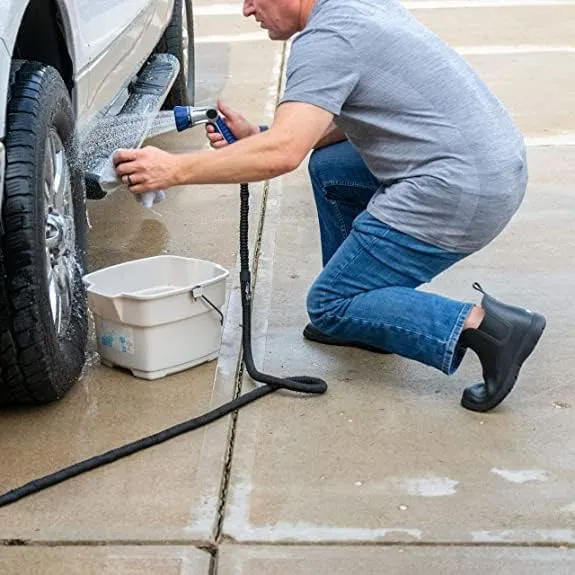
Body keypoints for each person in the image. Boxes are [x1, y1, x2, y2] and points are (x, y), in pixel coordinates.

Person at [114, 0, 546, 412]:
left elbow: (283, 153)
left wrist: (173, 169)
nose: (247, 10)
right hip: (486, 165)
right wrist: (258, 135)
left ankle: (487, 328)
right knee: (332, 167)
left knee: (330, 305)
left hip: (462, 190)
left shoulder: (329, 37)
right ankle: (369, 320)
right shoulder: (352, 9)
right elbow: (326, 123)